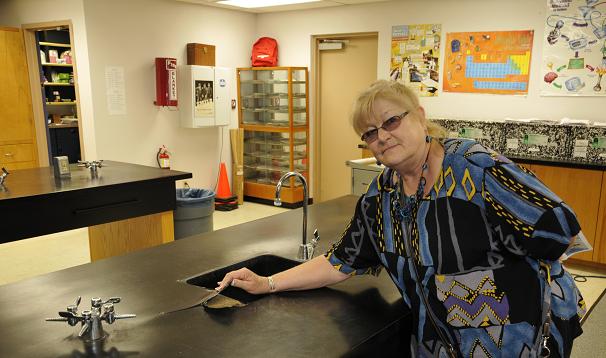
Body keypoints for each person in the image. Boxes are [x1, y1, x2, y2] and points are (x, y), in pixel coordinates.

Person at [217, 80, 585, 357]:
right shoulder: (381, 197)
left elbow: (561, 231)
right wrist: (267, 283)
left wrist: (488, 280)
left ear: (421, 117)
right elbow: (339, 263)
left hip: (517, 340)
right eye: (371, 133)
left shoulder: (477, 169)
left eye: (391, 121)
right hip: (439, 340)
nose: (383, 136)